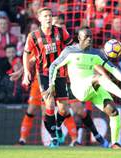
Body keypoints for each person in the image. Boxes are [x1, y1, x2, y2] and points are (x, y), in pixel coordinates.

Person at [44, 26, 121, 149]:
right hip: (79, 89)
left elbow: (112, 68)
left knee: (113, 111)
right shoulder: (70, 51)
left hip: (94, 87)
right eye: (86, 37)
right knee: (97, 77)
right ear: (79, 38)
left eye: (91, 37)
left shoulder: (96, 53)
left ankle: (115, 143)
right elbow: (54, 66)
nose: (89, 39)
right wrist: (51, 85)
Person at [22, 7, 74, 147]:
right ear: (39, 19)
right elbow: (26, 54)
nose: (48, 18)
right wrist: (27, 71)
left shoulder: (61, 31)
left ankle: (57, 127)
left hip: (60, 73)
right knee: (49, 104)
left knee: (64, 110)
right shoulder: (33, 36)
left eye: (50, 15)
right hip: (43, 74)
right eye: (45, 16)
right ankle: (53, 138)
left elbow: (72, 47)